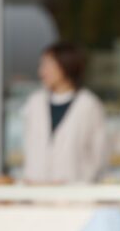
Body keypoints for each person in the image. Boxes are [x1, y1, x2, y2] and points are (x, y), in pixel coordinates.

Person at [21, 41, 108, 184]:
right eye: (42, 65)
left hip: (74, 191)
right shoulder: (35, 103)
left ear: (66, 66)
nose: (42, 72)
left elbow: (99, 154)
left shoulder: (89, 105)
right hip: (35, 189)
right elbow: (30, 147)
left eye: (48, 65)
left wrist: (82, 181)